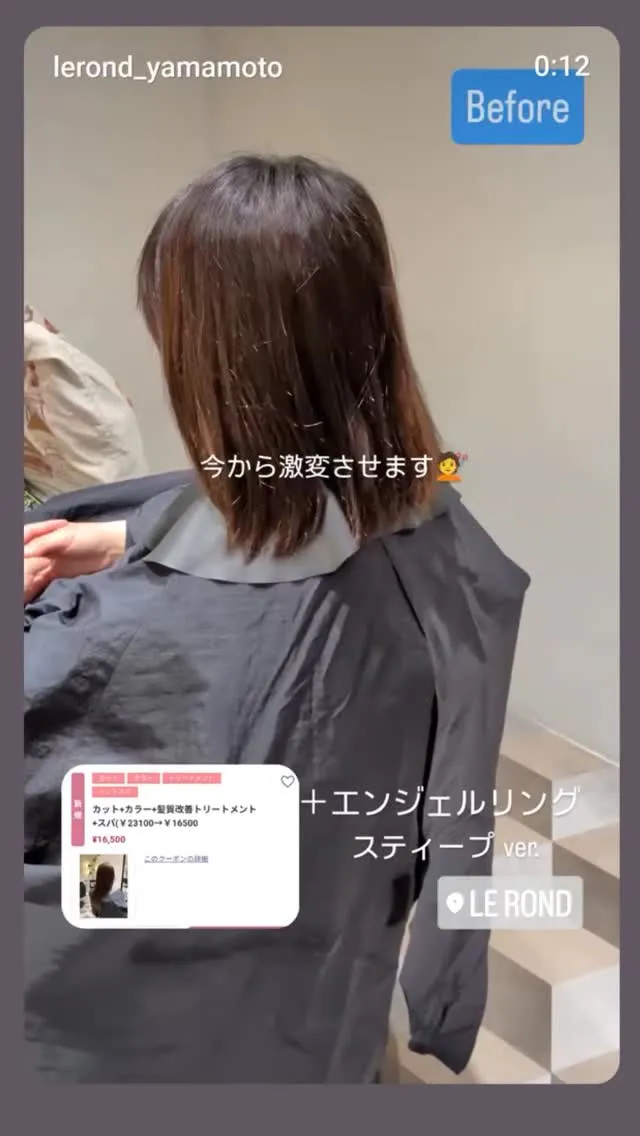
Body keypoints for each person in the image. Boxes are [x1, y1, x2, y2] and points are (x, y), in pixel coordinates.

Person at [23, 155, 530, 1084]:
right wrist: (134, 539)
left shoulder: (108, 648)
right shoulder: (434, 530)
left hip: (159, 1051)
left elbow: (107, 886)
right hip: (328, 1003)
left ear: (200, 354)